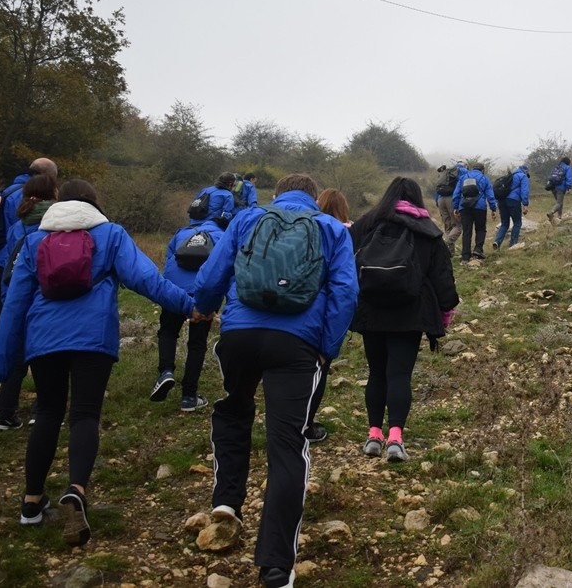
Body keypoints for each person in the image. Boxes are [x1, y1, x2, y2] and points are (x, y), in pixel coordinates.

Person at [0, 179, 194, 545]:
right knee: (85, 414)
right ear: (94, 204)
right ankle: (76, 491)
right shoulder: (111, 234)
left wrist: (3, 361)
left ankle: (31, 502)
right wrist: (189, 306)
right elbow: (147, 279)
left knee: (49, 412)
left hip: (44, 339)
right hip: (92, 338)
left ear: (59, 204)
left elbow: (15, 302)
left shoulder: (35, 240)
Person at [192, 174, 358, 588]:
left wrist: (206, 309)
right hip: (296, 345)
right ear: (313, 195)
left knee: (233, 410)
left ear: (276, 195)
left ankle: (228, 501)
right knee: (288, 445)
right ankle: (276, 565)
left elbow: (212, 277)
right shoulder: (332, 228)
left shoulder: (248, 217)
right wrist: (326, 348)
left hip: (240, 336)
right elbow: (345, 293)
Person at [350, 177, 459, 461]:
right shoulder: (427, 230)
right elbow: (442, 278)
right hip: (410, 313)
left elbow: (345, 265)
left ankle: (374, 435)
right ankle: (396, 438)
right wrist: (445, 315)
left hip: (371, 310)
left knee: (376, 372)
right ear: (417, 199)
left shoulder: (365, 225)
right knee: (399, 375)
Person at [0, 157, 58, 414]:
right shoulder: (29, 198)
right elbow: (26, 238)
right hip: (4, 270)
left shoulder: (7, 191)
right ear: (47, 178)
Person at [0, 173, 59, 430]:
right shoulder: (55, 218)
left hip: (15, 291)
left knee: (17, 356)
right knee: (47, 353)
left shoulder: (18, 223)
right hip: (43, 292)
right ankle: (41, 410)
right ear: (53, 193)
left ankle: (5, 414)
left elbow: (9, 259)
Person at [150, 214, 228, 412]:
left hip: (174, 291)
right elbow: (224, 270)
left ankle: (166, 372)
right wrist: (216, 302)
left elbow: (169, 264)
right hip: (202, 294)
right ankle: (189, 397)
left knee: (168, 332)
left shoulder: (181, 233)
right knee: (197, 343)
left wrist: (168, 293)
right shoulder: (223, 237)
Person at [301, 187, 354, 443]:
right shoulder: (343, 231)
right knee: (319, 368)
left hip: (294, 309)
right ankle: (306, 424)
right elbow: (345, 287)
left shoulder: (305, 226)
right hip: (323, 315)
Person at [452, 162, 496, 262]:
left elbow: (456, 193)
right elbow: (490, 195)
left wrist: (455, 207)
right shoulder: (484, 178)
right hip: (480, 207)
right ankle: (478, 250)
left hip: (465, 207)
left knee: (467, 231)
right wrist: (493, 209)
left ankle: (465, 256)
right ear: (483, 170)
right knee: (480, 229)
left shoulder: (463, 177)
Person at [494, 164, 530, 249]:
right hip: (513, 201)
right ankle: (513, 244)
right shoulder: (522, 176)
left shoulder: (508, 176)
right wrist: (525, 204)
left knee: (504, 224)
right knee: (517, 223)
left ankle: (497, 242)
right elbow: (524, 191)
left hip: (502, 201)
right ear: (526, 171)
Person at [433, 161, 464, 254]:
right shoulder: (461, 171)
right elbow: (460, 189)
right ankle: (446, 243)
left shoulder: (446, 173)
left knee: (448, 227)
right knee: (458, 226)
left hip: (440, 199)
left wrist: (437, 202)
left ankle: (449, 253)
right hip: (451, 199)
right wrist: (458, 204)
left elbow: (437, 190)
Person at [545, 156, 572, 224]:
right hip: (561, 188)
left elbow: (551, 176)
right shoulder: (567, 167)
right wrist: (568, 188)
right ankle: (551, 213)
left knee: (559, 203)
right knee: (559, 203)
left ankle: (560, 217)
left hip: (553, 187)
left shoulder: (557, 167)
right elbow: (569, 178)